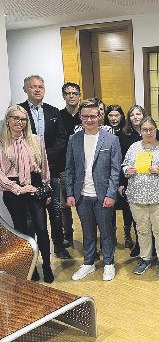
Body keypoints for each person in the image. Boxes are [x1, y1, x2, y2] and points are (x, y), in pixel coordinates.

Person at [65, 98, 122, 281]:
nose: (89, 120)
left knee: (106, 232)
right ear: (80, 117)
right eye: (85, 117)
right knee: (87, 232)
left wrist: (111, 194)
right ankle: (88, 263)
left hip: (103, 195)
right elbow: (69, 168)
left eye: (93, 116)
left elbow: (115, 170)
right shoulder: (74, 139)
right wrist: (70, 193)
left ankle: (109, 264)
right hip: (81, 195)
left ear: (100, 116)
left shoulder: (111, 139)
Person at [19, 75, 71, 260]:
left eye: (40, 86)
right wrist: (33, 158)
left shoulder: (54, 112)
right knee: (31, 214)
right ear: (26, 89)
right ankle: (32, 251)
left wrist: (45, 155)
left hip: (52, 169)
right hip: (28, 174)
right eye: (33, 87)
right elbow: (15, 140)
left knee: (55, 210)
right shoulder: (19, 111)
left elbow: (62, 138)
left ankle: (59, 246)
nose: (37, 90)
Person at [0, 105, 54, 283]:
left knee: (41, 229)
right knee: (22, 231)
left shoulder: (35, 140)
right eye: (15, 118)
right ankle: (31, 267)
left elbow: (44, 166)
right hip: (12, 188)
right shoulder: (1, 142)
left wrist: (46, 189)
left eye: (23, 119)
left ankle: (46, 266)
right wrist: (17, 188)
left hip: (35, 186)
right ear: (8, 119)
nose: (19, 122)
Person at [123, 117, 159, 277]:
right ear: (141, 131)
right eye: (145, 130)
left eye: (151, 129)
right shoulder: (133, 147)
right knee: (142, 229)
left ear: (155, 129)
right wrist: (127, 170)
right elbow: (124, 165)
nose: (148, 132)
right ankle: (144, 258)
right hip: (137, 197)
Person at [119, 105, 159, 257]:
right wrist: (124, 175)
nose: (135, 117)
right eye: (132, 115)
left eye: (139, 114)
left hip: (157, 190)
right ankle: (141, 248)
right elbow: (122, 162)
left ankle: (158, 252)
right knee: (140, 222)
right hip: (135, 186)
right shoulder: (126, 137)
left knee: (157, 224)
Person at [103, 104, 133, 248]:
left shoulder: (127, 133)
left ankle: (127, 234)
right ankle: (112, 236)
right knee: (110, 206)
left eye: (116, 115)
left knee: (126, 206)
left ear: (121, 117)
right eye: (110, 115)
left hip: (124, 175)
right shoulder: (102, 132)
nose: (114, 118)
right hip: (107, 176)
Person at [59, 82, 82, 248]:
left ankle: (89, 234)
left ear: (79, 96)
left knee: (84, 204)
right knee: (63, 205)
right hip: (64, 167)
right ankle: (68, 233)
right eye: (68, 93)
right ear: (64, 96)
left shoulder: (86, 115)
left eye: (74, 93)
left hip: (83, 167)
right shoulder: (58, 116)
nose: (71, 96)